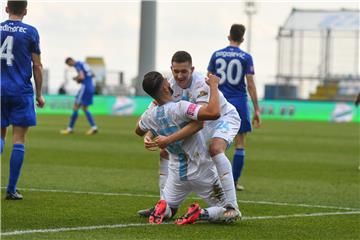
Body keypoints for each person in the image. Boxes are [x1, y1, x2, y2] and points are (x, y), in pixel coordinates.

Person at [140, 51, 241, 218]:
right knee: (165, 151)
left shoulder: (201, 84)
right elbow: (160, 114)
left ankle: (230, 204)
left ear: (192, 69)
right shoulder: (169, 85)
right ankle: (163, 203)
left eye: (184, 71)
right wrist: (150, 134)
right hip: (202, 119)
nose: (179, 76)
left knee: (215, 149)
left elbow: (201, 121)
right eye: (176, 71)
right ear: (171, 69)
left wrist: (168, 139)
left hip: (223, 117)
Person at [207, 24, 261, 191]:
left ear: (228, 36)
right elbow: (250, 84)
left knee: (213, 141)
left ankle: (211, 179)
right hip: (238, 102)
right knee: (240, 143)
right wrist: (257, 109)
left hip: (219, 102)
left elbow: (209, 78)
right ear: (242, 39)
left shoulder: (217, 55)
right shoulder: (246, 57)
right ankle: (234, 182)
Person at [1, 0, 45, 200]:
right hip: (21, 91)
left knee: (0, 137)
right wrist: (39, 94)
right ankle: (11, 189)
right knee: (18, 140)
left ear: (6, 9)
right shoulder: (30, 32)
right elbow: (37, 66)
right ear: (25, 11)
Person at [60, 57, 98, 135]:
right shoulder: (84, 64)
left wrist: (76, 78)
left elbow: (81, 76)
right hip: (91, 87)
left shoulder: (77, 65)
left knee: (76, 106)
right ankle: (94, 127)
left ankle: (69, 128)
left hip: (85, 87)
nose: (70, 66)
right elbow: (93, 75)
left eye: (69, 64)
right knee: (85, 108)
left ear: (71, 61)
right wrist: (84, 79)